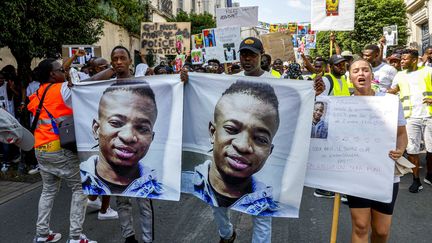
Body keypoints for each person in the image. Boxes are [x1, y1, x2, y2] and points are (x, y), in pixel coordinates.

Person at [83, 45, 155, 243]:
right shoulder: (106, 85)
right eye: (115, 59)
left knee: (144, 203)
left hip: (138, 161)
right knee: (122, 201)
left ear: (130, 61)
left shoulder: (143, 83)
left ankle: (148, 239)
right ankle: (129, 237)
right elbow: (84, 85)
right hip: (116, 160)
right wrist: (110, 71)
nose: (119, 62)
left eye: (123, 58)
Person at [27, 58, 96, 243]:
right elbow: (86, 90)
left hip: (40, 148)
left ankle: (42, 234)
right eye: (61, 70)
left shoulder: (38, 91)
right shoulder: (62, 89)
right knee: (80, 188)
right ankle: (75, 237)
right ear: (52, 74)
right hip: (60, 149)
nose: (64, 72)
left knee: (48, 190)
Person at [347, 58, 407, 243]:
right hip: (356, 175)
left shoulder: (389, 101)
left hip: (385, 174)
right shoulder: (342, 106)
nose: (361, 73)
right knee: (361, 226)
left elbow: (402, 134)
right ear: (350, 77)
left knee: (381, 231)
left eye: (365, 70)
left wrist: (401, 149)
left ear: (372, 75)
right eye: (356, 71)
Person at [390, 49, 432, 193]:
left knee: (431, 149)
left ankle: (429, 175)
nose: (401, 61)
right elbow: (393, 90)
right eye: (401, 59)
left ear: (414, 60)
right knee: (412, 150)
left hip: (429, 115)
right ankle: (416, 180)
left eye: (405, 59)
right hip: (410, 117)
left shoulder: (428, 71)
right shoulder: (399, 75)